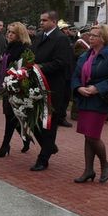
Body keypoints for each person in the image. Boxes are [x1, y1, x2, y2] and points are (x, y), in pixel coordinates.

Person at [71, 24, 108, 183]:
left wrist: (97, 88)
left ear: (103, 38)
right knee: (87, 136)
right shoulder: (85, 55)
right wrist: (78, 88)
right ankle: (88, 170)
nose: (90, 37)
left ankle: (105, 164)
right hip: (84, 98)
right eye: (90, 35)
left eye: (94, 35)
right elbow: (75, 75)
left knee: (93, 136)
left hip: (99, 100)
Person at [30, 11, 72, 171]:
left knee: (49, 123)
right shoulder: (40, 36)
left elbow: (61, 62)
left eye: (44, 20)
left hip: (53, 87)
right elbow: (32, 55)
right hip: (37, 85)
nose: (41, 23)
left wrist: (41, 67)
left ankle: (43, 158)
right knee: (33, 120)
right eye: (40, 20)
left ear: (54, 22)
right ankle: (49, 146)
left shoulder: (61, 39)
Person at [0, 22, 33, 157]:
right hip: (7, 85)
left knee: (12, 116)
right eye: (8, 31)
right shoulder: (9, 47)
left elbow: (25, 68)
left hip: (17, 87)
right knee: (11, 116)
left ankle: (5, 146)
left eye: (12, 32)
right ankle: (26, 137)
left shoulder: (23, 49)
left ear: (19, 34)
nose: (9, 34)